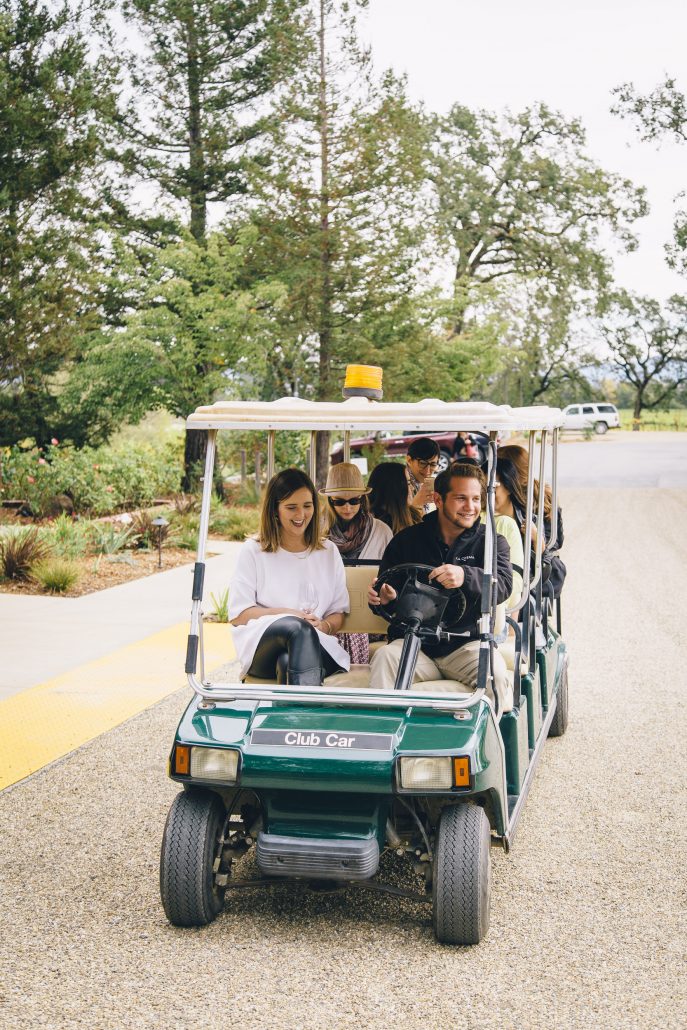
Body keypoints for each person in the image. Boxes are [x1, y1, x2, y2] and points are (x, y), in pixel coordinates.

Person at [367, 462, 513, 707]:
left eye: (476, 499)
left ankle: (494, 744)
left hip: (467, 644)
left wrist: (466, 576)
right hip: (415, 643)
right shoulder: (407, 541)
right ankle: (386, 739)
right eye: (460, 498)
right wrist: (385, 600)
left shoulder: (491, 542)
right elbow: (385, 595)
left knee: (494, 674)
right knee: (384, 658)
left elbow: (503, 586)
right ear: (438, 499)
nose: (471, 507)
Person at [229, 468, 349, 685]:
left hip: (318, 643)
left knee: (287, 662)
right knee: (295, 628)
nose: (301, 515)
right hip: (263, 645)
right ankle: (308, 717)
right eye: (291, 508)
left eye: (307, 506)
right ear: (275, 510)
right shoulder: (253, 551)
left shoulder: (328, 551)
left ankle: (295, 719)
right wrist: (289, 615)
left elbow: (338, 613)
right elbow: (240, 615)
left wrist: (324, 626)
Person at [321, 463, 392, 664]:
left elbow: (390, 577)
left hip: (367, 614)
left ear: (363, 499)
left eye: (354, 500)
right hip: (328, 611)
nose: (347, 507)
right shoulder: (316, 531)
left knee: (347, 632)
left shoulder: (381, 531)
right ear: (329, 500)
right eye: (339, 502)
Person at [495, 444, 566, 598]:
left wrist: (536, 539)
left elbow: (555, 541)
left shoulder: (541, 499)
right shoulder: (499, 500)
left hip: (539, 572)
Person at [368, 461, 422, 535]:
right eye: (408, 483)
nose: (412, 488)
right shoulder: (373, 525)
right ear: (395, 488)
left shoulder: (414, 515)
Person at [406, 437, 441, 515]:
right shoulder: (401, 484)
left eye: (433, 464)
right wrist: (416, 504)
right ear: (409, 460)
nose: (427, 471)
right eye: (422, 463)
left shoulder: (421, 483)